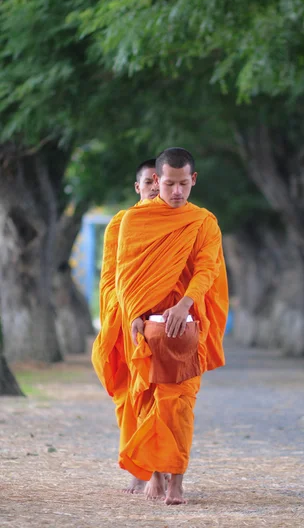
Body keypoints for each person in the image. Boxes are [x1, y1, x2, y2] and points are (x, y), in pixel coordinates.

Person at [114, 147, 228, 505]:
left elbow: (207, 268)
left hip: (187, 323)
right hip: (146, 325)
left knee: (178, 404)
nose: (176, 191)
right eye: (168, 184)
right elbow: (124, 274)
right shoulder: (135, 221)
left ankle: (176, 480)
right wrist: (132, 313)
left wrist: (185, 304)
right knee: (148, 400)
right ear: (155, 181)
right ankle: (155, 475)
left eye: (183, 184)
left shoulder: (203, 221)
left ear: (193, 180)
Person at [92, 158, 159, 495]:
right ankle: (138, 466)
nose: (155, 187)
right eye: (149, 181)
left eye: (160, 181)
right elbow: (110, 278)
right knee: (129, 396)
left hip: (164, 321)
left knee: (161, 396)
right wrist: (124, 311)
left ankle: (160, 469)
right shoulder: (121, 224)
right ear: (138, 187)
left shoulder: (182, 225)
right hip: (125, 322)